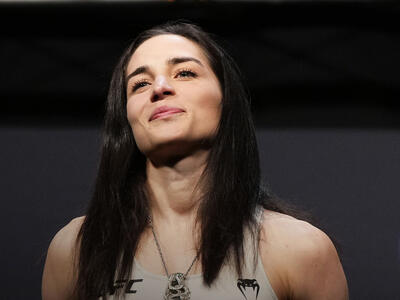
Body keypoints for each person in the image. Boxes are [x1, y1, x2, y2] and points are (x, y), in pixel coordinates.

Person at [41, 20, 349, 300]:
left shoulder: (300, 250)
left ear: (225, 100)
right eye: (140, 84)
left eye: (184, 73)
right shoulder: (75, 251)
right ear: (126, 117)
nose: (160, 88)